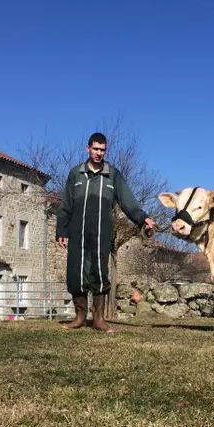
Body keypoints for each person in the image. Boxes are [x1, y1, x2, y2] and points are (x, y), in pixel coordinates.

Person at [56, 132, 156, 333]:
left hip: (102, 233)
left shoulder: (113, 175)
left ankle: (99, 319)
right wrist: (61, 229)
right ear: (88, 149)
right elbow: (66, 204)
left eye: (102, 150)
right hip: (77, 232)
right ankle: (80, 317)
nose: (98, 153)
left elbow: (128, 201)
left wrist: (142, 217)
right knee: (77, 273)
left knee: (99, 273)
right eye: (95, 149)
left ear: (105, 150)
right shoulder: (75, 174)